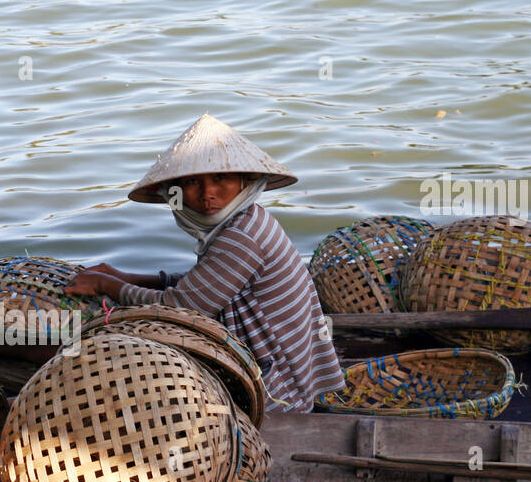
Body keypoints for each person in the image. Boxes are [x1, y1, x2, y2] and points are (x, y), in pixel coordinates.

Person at [64, 113, 345, 413]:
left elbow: (183, 309)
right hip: (285, 365)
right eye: (192, 182)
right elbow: (204, 282)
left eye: (220, 178)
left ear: (244, 181)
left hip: (278, 389)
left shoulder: (242, 235)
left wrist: (107, 285)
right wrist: (122, 276)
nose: (207, 193)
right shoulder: (248, 219)